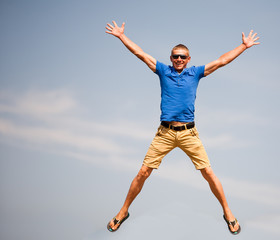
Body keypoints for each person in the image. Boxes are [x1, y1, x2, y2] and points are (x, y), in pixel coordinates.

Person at [105, 20, 260, 235]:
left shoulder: (195, 73)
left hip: (189, 133)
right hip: (165, 133)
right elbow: (140, 54)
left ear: (188, 60)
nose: (178, 59)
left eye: (182, 57)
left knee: (208, 172)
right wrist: (122, 36)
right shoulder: (162, 70)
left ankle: (227, 212)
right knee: (143, 172)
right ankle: (123, 212)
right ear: (171, 58)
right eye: (175, 56)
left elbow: (222, 61)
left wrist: (243, 46)